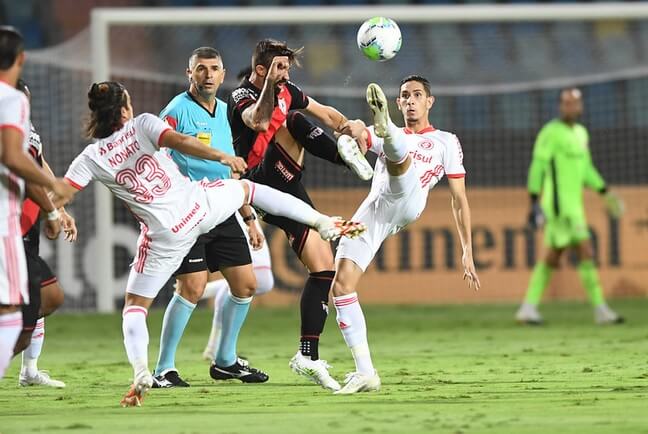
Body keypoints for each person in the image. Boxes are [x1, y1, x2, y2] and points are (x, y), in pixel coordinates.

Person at [55, 81, 365, 407]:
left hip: (165, 235)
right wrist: (221, 155)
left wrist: (57, 212)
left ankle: (141, 372)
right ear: (124, 109)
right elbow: (180, 142)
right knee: (248, 190)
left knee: (135, 307)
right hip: (197, 206)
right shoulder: (142, 123)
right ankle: (322, 222)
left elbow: (61, 190)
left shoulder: (89, 157)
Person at [228, 39, 371, 391]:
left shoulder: (287, 89)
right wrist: (273, 90)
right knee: (291, 120)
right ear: (260, 70)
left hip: (289, 185)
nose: (285, 74)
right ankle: (344, 159)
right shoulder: (241, 96)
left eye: (287, 68)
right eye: (278, 68)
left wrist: (352, 127)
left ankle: (307, 355)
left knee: (323, 268)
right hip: (259, 181)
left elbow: (325, 113)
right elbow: (258, 123)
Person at [330, 78, 481, 394]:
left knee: (400, 160)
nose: (410, 101)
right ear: (398, 104)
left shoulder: (445, 142)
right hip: (377, 207)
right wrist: (351, 133)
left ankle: (386, 131)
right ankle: (366, 373)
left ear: (430, 101)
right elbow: (350, 130)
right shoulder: (379, 135)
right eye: (404, 97)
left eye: (417, 96)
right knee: (341, 285)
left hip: (410, 197)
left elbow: (459, 198)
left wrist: (467, 249)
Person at [152, 47, 271, 388]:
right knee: (191, 286)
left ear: (222, 74)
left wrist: (248, 216)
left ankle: (225, 361)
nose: (207, 74)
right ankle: (164, 368)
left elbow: (230, 165)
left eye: (214, 69)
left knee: (247, 284)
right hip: (188, 212)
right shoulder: (176, 110)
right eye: (200, 69)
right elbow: (156, 152)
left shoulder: (225, 111)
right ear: (189, 73)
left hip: (222, 208)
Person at [515, 88, 624, 325]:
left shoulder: (581, 134)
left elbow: (586, 170)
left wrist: (605, 190)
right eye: (566, 103)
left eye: (575, 103)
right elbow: (538, 166)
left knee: (552, 258)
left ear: (580, 106)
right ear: (560, 106)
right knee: (586, 251)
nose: (571, 107)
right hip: (558, 208)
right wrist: (534, 201)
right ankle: (601, 310)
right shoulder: (550, 133)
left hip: (575, 207)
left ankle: (528, 308)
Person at [0, 26, 72, 381]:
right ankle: (27, 368)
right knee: (22, 310)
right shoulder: (11, 101)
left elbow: (34, 158)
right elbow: (18, 160)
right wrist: (54, 193)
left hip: (18, 224)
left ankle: (29, 369)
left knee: (23, 307)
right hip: (6, 225)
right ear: (20, 58)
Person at [200, 64, 274, 362]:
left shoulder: (270, 117)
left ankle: (213, 342)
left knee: (262, 282)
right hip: (231, 204)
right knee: (252, 281)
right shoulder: (234, 120)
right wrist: (249, 216)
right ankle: (218, 347)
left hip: (245, 203)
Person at [13, 79, 77, 389]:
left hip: (28, 224)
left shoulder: (25, 125)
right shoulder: (9, 131)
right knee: (47, 297)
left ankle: (30, 370)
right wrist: (51, 209)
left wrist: (58, 207)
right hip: (10, 227)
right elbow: (24, 169)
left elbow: (39, 163)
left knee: (37, 300)